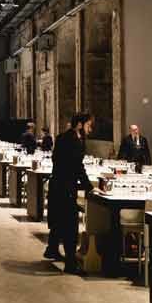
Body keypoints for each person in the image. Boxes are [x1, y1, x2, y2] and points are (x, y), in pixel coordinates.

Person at [44, 113, 100, 275]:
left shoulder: (62, 137)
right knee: (70, 225)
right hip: (66, 187)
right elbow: (78, 167)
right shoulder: (76, 141)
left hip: (57, 184)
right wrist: (89, 187)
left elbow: (56, 159)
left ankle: (52, 249)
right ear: (80, 125)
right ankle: (70, 264)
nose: (91, 129)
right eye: (89, 125)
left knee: (59, 219)